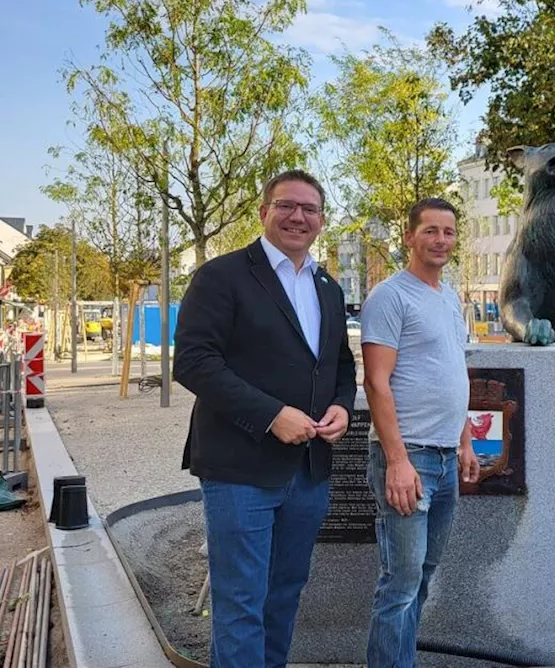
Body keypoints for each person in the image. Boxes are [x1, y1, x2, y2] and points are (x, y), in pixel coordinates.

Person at [174, 170, 357, 668]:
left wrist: (343, 404)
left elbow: (340, 364)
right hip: (240, 470)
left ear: (321, 220)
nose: (298, 216)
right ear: (263, 212)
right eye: (286, 205)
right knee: (239, 605)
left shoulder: (327, 288)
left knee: (283, 596)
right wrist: (272, 415)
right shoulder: (221, 276)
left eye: (310, 209)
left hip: (309, 470)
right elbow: (193, 362)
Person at [360, 198, 481, 667]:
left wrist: (465, 440)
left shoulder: (450, 298)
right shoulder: (390, 297)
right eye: (430, 231)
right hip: (409, 456)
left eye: (448, 232)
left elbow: (453, 373)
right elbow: (376, 381)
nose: (440, 241)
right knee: (401, 582)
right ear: (409, 237)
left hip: (446, 457)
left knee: (423, 577)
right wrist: (396, 460)